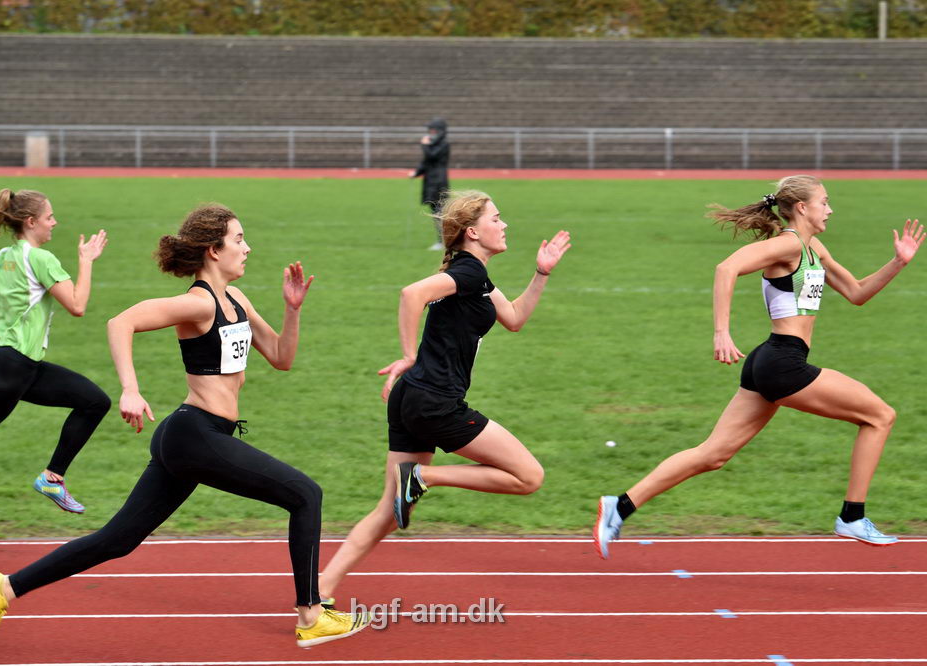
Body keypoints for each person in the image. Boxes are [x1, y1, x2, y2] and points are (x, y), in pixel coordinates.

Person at [0, 204, 369, 650]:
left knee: (117, 540)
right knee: (305, 494)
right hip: (195, 435)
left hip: (194, 437)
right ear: (214, 250)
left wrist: (292, 310)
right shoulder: (196, 303)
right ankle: (311, 614)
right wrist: (130, 389)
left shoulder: (237, 300)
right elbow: (121, 322)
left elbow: (281, 357)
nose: (247, 248)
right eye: (239, 240)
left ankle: (5, 588)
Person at [594, 175, 924, 559]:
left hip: (771, 361)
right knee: (880, 416)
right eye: (825, 202)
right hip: (783, 363)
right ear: (802, 207)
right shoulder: (787, 244)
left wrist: (898, 262)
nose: (830, 210)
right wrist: (721, 332)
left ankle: (620, 506)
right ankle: (852, 516)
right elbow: (726, 268)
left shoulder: (813, 247)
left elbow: (857, 292)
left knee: (713, 454)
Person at [318, 190, 570, 604]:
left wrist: (541, 273)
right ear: (473, 232)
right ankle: (423, 477)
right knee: (529, 476)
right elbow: (411, 294)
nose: (504, 224)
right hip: (435, 402)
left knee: (389, 511)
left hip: (412, 399)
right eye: (496, 218)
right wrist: (408, 355)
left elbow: (514, 318)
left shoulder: (476, 277)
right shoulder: (468, 272)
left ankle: (320, 591)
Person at [0, 188, 110, 513]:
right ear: (30, 222)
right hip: (10, 372)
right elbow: (77, 306)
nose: (54, 222)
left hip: (19, 370)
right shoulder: (40, 259)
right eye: (49, 217)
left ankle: (52, 478)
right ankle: (52, 478)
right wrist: (86, 261)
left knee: (94, 401)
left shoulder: (3, 257)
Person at [409, 117, 450, 251]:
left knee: (440, 212)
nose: (430, 132)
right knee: (435, 211)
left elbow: (432, 156)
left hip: (438, 181)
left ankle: (444, 241)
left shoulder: (443, 144)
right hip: (430, 181)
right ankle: (442, 241)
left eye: (432, 130)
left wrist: (425, 145)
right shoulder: (433, 144)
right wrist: (416, 173)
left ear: (439, 131)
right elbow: (426, 162)